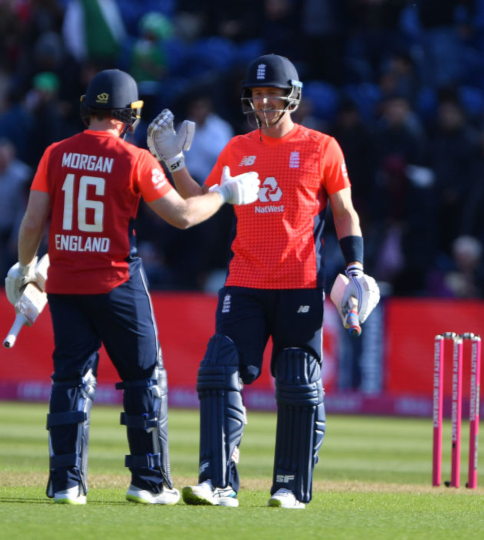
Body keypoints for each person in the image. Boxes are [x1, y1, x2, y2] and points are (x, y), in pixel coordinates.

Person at [5, 69, 260, 506]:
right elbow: (181, 216)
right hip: (117, 280)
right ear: (128, 115)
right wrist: (225, 194)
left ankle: (66, 482)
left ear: (90, 108)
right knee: (145, 377)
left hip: (64, 283)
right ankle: (148, 480)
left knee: (71, 377)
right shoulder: (135, 159)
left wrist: (25, 267)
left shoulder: (55, 153)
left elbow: (32, 222)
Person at [147, 54, 380, 509]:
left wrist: (355, 268)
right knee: (219, 371)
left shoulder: (322, 147)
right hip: (245, 281)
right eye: (257, 94)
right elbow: (200, 202)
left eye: (272, 93)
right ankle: (218, 482)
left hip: (299, 283)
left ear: (292, 96)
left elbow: (344, 211)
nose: (264, 102)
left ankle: (290, 485)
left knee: (297, 381)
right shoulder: (237, 149)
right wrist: (174, 161)